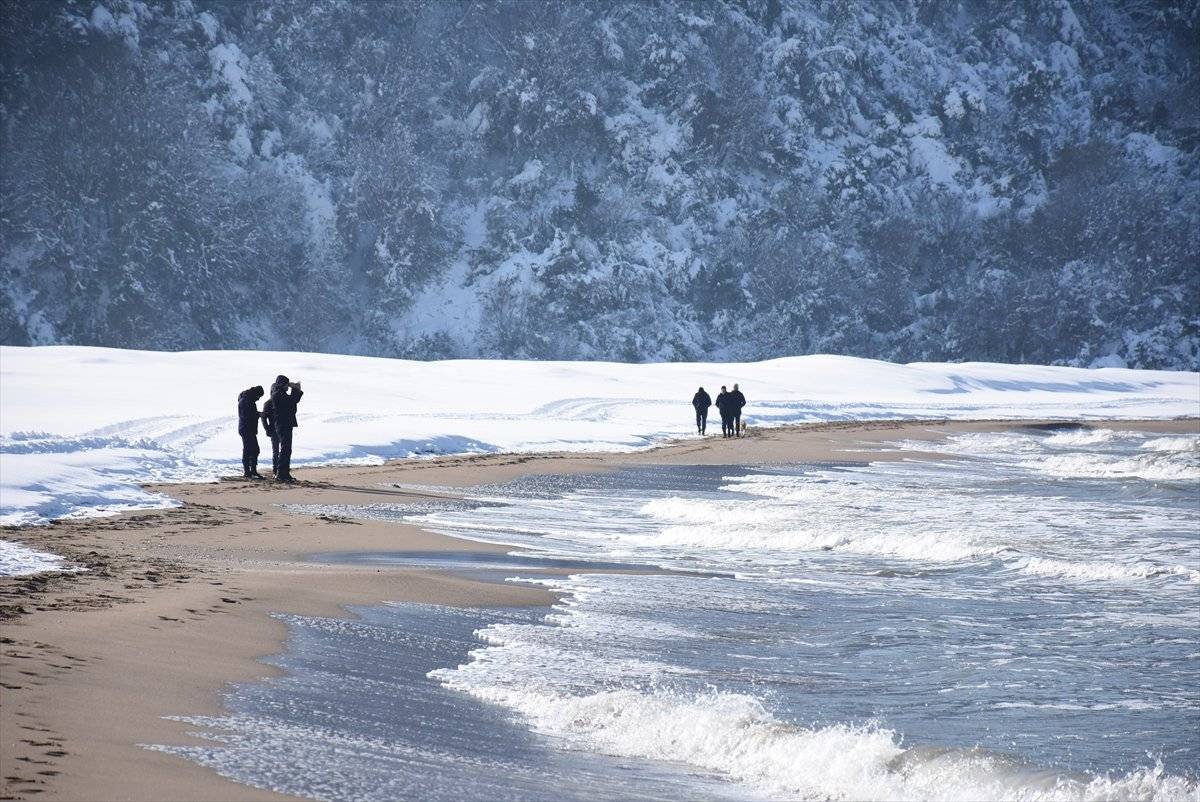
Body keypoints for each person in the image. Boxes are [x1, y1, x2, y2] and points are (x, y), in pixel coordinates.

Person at [269, 374, 303, 482]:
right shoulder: (278, 394)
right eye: (286, 385)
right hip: (283, 424)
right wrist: (296, 389)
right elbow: (292, 401)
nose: (287, 387)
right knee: (285, 449)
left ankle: (284, 472)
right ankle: (281, 473)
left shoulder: (279, 393)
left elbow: (292, 402)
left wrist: (295, 389)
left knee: (286, 449)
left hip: (284, 423)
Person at [237, 385, 265, 479]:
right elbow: (247, 415)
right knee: (250, 450)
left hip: (247, 428)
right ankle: (248, 471)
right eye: (259, 397)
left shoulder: (246, 399)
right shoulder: (246, 400)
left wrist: (257, 414)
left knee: (252, 450)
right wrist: (258, 414)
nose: (258, 399)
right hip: (246, 428)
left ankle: (251, 471)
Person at [260, 395, 279, 477]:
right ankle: (276, 470)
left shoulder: (269, 402)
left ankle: (277, 470)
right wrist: (267, 428)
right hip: (274, 429)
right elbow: (264, 417)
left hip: (275, 429)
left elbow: (264, 417)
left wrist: (267, 428)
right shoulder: (269, 403)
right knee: (277, 451)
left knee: (276, 451)